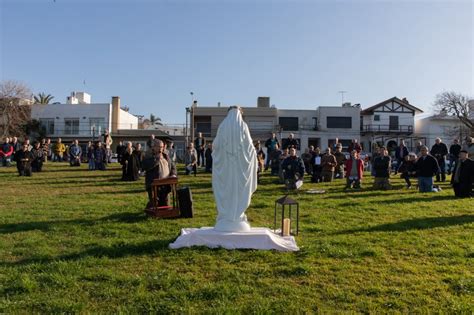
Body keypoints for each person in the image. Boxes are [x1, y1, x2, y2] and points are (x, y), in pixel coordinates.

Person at [212, 106, 258, 232]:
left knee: (227, 189)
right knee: (239, 189)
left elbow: (215, 146)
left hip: (226, 169)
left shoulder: (222, 126)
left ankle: (227, 215)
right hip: (240, 170)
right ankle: (236, 215)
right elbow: (249, 146)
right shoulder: (243, 126)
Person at [142, 139, 177, 208]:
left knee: (165, 205)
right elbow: (145, 166)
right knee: (155, 204)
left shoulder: (166, 156)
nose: (161, 148)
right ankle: (149, 208)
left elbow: (173, 167)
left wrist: (173, 174)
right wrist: (156, 159)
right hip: (153, 185)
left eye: (162, 147)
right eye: (159, 147)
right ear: (154, 147)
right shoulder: (148, 155)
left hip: (165, 184)